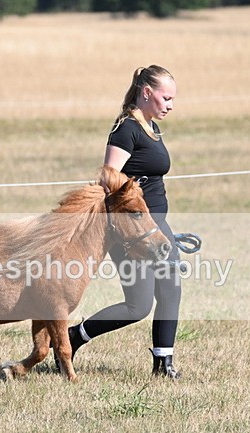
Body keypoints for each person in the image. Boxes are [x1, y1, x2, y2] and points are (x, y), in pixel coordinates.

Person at [62, 65, 183, 378]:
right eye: (166, 97)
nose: (171, 104)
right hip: (133, 232)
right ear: (146, 93)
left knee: (171, 290)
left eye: (172, 99)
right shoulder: (127, 129)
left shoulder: (151, 126)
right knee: (138, 307)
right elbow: (108, 180)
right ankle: (73, 337)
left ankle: (163, 365)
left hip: (156, 226)